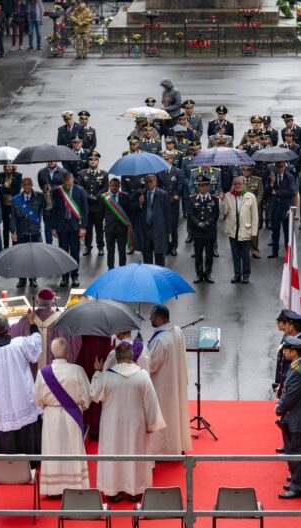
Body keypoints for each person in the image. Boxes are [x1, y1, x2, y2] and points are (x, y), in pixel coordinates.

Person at [91, 342, 166, 502]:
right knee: (135, 454)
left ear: (116, 358)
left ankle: (114, 491)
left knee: (114, 454)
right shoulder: (142, 375)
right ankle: (135, 490)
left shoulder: (107, 376)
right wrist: (152, 424)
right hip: (136, 425)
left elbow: (95, 395)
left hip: (112, 426)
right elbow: (151, 403)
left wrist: (97, 371)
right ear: (131, 357)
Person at [33, 338, 92, 496]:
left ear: (52, 352)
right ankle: (75, 484)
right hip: (72, 415)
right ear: (67, 352)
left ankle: (54, 489)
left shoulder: (42, 373)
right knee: (72, 449)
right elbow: (87, 396)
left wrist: (48, 405)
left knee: (53, 450)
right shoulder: (77, 370)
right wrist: (80, 406)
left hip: (51, 416)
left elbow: (37, 397)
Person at [0, 316, 44, 455]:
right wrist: (33, 326)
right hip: (20, 391)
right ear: (9, 328)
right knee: (24, 418)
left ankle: (6, 460)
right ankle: (30, 458)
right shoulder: (19, 343)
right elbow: (36, 347)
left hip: (1, 396)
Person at [147, 305, 191, 456]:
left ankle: (162, 450)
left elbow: (151, 365)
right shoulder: (177, 330)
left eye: (152, 316)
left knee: (164, 416)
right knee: (174, 416)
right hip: (175, 382)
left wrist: (142, 351)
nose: (150, 319)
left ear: (159, 318)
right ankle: (176, 446)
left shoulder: (160, 340)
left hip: (163, 386)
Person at [277, 335, 301, 499]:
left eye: (286, 349)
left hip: (295, 417)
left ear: (293, 352)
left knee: (296, 453)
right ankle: (300, 479)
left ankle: (298, 486)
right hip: (300, 415)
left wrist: (279, 408)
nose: (284, 352)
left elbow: (290, 396)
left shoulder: (299, 372)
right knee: (300, 450)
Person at [50, 172, 88, 288]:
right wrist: (53, 227)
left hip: (75, 225)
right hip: (62, 226)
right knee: (63, 253)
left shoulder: (80, 191)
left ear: (73, 182)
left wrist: (83, 227)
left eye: (70, 184)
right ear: (63, 182)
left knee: (75, 252)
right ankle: (64, 277)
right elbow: (53, 210)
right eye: (66, 185)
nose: (68, 187)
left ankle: (75, 276)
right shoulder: (57, 191)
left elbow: (85, 210)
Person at [10, 177, 46, 287]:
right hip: (21, 232)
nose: (27, 186)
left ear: (32, 185)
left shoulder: (39, 197)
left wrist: (48, 194)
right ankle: (22, 279)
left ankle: (33, 278)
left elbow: (49, 206)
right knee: (21, 257)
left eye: (29, 184)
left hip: (34, 232)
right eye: (24, 184)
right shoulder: (16, 199)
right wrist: (13, 231)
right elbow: (13, 217)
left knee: (33, 257)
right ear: (22, 185)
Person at [220, 175, 257, 283]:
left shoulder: (251, 196)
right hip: (232, 229)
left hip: (246, 229)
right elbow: (224, 212)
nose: (237, 186)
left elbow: (255, 216)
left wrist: (254, 232)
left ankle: (246, 274)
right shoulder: (228, 195)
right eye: (235, 184)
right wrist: (222, 201)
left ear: (244, 184)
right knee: (235, 254)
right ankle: (237, 274)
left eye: (239, 184)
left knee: (245, 254)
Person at [188, 175, 219, 283]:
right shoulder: (192, 199)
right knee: (198, 254)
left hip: (209, 231)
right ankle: (199, 273)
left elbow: (215, 214)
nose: (200, 187)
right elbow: (190, 214)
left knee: (209, 254)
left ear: (208, 186)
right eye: (199, 185)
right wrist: (199, 224)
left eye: (203, 185)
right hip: (198, 231)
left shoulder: (214, 199)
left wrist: (207, 223)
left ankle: (208, 273)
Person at [138, 174, 173, 267]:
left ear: (155, 182)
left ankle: (160, 278)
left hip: (159, 230)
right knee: (147, 258)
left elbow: (168, 214)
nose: (149, 184)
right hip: (146, 230)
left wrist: (168, 233)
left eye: (151, 182)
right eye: (146, 182)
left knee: (159, 259)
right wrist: (139, 204)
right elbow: (134, 210)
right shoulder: (141, 194)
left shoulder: (163, 194)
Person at [78, 151, 108, 256]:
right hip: (87, 206)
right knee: (88, 227)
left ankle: (100, 247)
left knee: (99, 228)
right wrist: (89, 197)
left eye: (95, 160)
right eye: (90, 159)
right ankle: (88, 246)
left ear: (98, 161)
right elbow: (81, 188)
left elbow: (105, 188)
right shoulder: (82, 173)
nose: (93, 162)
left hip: (99, 206)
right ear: (88, 161)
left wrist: (97, 197)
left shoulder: (103, 174)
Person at [265, 161, 298, 259]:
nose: (279, 169)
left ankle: (288, 253)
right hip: (275, 209)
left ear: (284, 167)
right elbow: (267, 192)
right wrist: (272, 183)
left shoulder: (290, 177)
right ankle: (275, 251)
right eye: (278, 167)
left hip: (286, 208)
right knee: (275, 232)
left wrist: (277, 192)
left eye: (281, 167)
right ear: (275, 167)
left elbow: (292, 191)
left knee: (287, 232)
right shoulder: (271, 177)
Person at [101, 178, 133, 269]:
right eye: (112, 185)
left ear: (119, 186)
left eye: (116, 185)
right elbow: (102, 212)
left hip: (122, 229)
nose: (114, 187)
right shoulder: (104, 197)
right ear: (109, 186)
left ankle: (122, 269)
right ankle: (110, 269)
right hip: (109, 229)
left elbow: (129, 211)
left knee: (122, 251)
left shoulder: (125, 196)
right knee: (110, 251)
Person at [37, 161, 66, 244]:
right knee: (48, 226)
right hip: (47, 203)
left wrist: (53, 188)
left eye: (53, 160)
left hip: (59, 204)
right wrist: (45, 189)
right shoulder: (42, 172)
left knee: (60, 226)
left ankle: (62, 245)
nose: (51, 162)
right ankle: (49, 245)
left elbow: (66, 187)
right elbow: (41, 185)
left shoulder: (63, 172)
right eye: (49, 160)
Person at [0, 164, 22, 249]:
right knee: (5, 227)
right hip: (3, 205)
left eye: (9, 166)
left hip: (13, 205)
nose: (7, 168)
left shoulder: (18, 175)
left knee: (14, 227)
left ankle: (15, 246)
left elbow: (16, 190)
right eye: (5, 166)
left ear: (13, 167)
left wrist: (4, 188)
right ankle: (6, 247)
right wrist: (3, 188)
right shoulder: (1, 175)